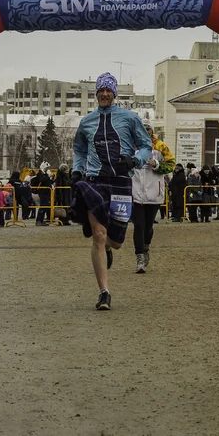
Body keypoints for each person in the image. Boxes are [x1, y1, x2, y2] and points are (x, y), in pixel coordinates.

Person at [70, 72, 152, 310]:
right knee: (98, 234)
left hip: (121, 182)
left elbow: (146, 146)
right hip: (95, 180)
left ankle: (108, 247)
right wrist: (77, 170)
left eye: (109, 91)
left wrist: (134, 161)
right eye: (101, 91)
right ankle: (104, 293)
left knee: (115, 242)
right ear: (96, 93)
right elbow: (79, 150)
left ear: (114, 94)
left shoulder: (129, 118)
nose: (104, 94)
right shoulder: (86, 122)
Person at [131, 121, 175, 273]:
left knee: (148, 226)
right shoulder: (131, 147)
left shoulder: (160, 146)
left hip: (154, 194)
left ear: (152, 131)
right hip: (136, 194)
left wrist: (156, 164)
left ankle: (146, 246)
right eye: (142, 129)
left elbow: (171, 164)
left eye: (148, 129)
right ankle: (139, 258)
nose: (145, 132)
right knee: (138, 225)